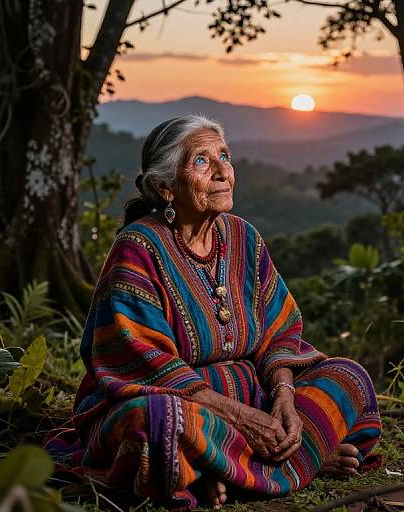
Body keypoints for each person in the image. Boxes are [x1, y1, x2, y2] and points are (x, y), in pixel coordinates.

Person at [45, 114, 382, 510]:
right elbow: (142, 362)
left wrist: (284, 399)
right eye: (202, 161)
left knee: (348, 377)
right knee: (159, 423)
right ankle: (299, 461)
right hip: (176, 403)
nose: (223, 170)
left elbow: (280, 333)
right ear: (164, 187)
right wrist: (241, 419)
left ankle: (220, 469)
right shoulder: (138, 248)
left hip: (252, 398)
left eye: (224, 155)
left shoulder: (244, 238)